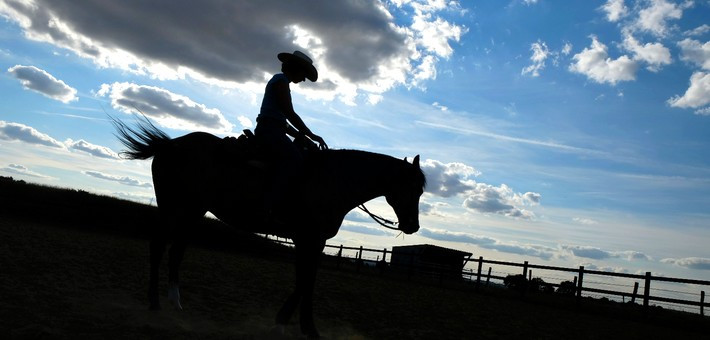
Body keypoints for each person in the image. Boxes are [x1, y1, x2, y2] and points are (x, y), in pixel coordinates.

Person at [254, 50, 327, 222]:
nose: (303, 80)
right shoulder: (281, 82)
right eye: (303, 75)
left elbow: (283, 121)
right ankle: (268, 205)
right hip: (270, 132)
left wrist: (305, 138)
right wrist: (312, 135)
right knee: (293, 160)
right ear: (296, 69)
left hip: (273, 129)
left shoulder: (280, 81)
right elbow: (289, 114)